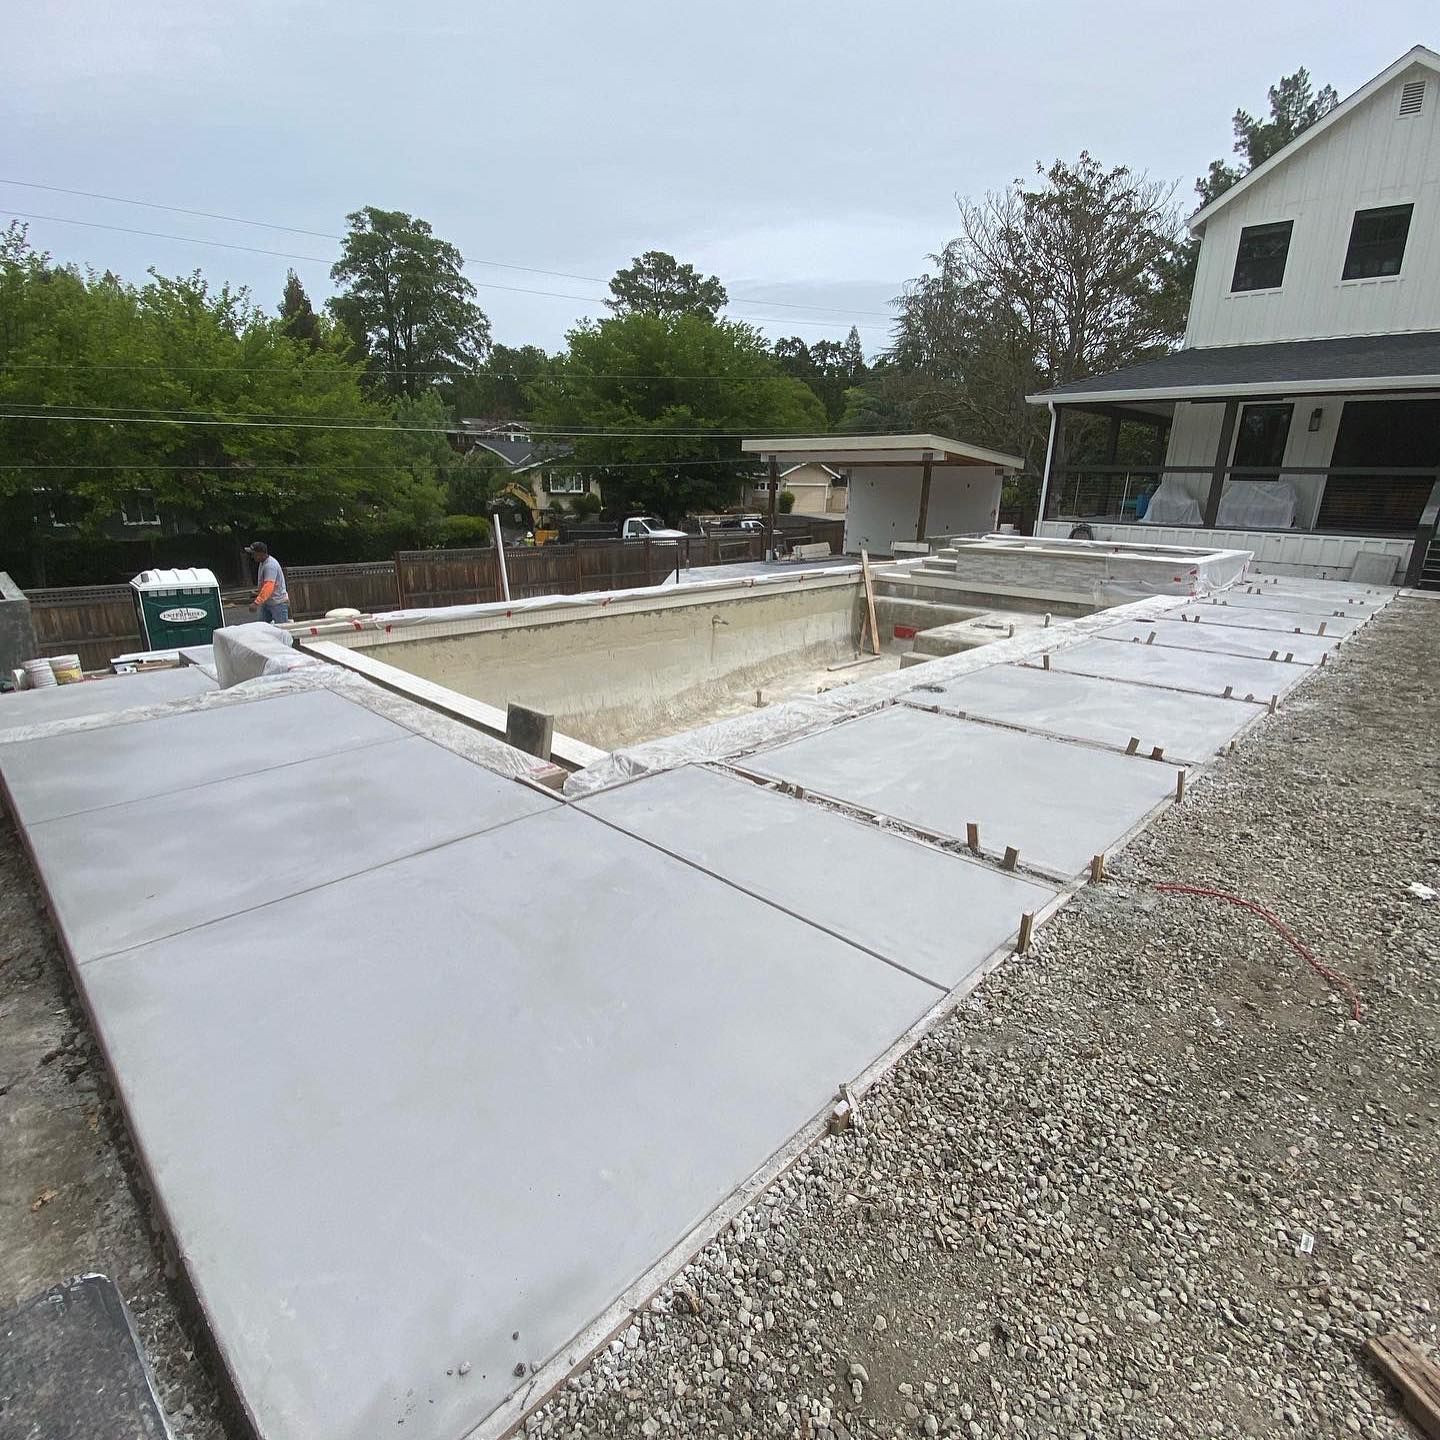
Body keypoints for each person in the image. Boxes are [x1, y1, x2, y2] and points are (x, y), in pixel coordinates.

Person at [244, 541, 290, 623]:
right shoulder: (263, 563)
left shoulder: (270, 566)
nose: (252, 556)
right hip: (269, 602)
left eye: (253, 554)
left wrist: (256, 603)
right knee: (263, 628)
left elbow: (268, 586)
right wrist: (258, 593)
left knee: (282, 630)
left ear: (260, 554)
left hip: (278, 603)